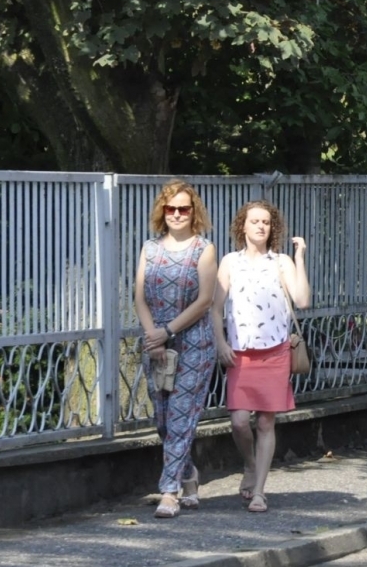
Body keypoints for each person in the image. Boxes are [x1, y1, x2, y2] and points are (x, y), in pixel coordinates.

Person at [211, 200, 310, 514]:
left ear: (272, 228)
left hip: (275, 352)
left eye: (266, 222)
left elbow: (303, 301)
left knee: (266, 422)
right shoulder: (229, 262)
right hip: (240, 354)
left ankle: (260, 492)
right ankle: (251, 465)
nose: (260, 226)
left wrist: (300, 257)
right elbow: (214, 308)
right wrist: (220, 342)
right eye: (254, 221)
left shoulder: (281, 262)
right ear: (242, 225)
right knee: (239, 422)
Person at [133, 181, 218, 520]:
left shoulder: (204, 248)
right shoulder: (150, 249)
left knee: (182, 416)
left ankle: (169, 492)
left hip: (194, 343)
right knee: (165, 422)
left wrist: (168, 330)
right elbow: (139, 297)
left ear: (193, 212)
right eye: (172, 209)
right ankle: (190, 476)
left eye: (184, 208)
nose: (178, 214)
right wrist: (153, 335)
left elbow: (205, 300)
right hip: (157, 344)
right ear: (162, 212)